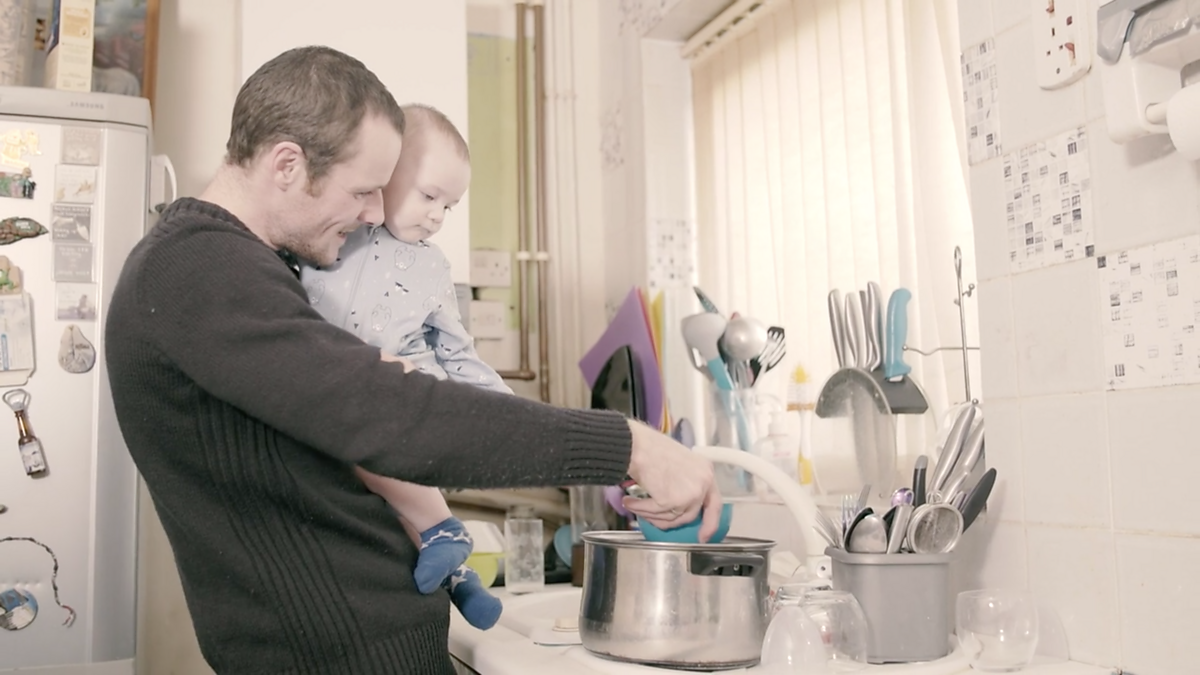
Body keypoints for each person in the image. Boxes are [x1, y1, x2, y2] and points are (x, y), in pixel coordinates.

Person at [104, 45, 722, 675]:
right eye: (364, 190)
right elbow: (397, 416)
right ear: (286, 163)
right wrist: (630, 445)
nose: (376, 213)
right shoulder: (200, 269)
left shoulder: (241, 270)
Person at [301, 103, 506, 631]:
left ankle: (443, 531)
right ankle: (458, 577)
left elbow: (457, 350)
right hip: (328, 402)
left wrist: (509, 414)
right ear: (386, 175)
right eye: (429, 195)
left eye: (450, 206)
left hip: (398, 399)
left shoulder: (433, 266)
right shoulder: (333, 234)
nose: (437, 215)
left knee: (377, 438)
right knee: (379, 503)